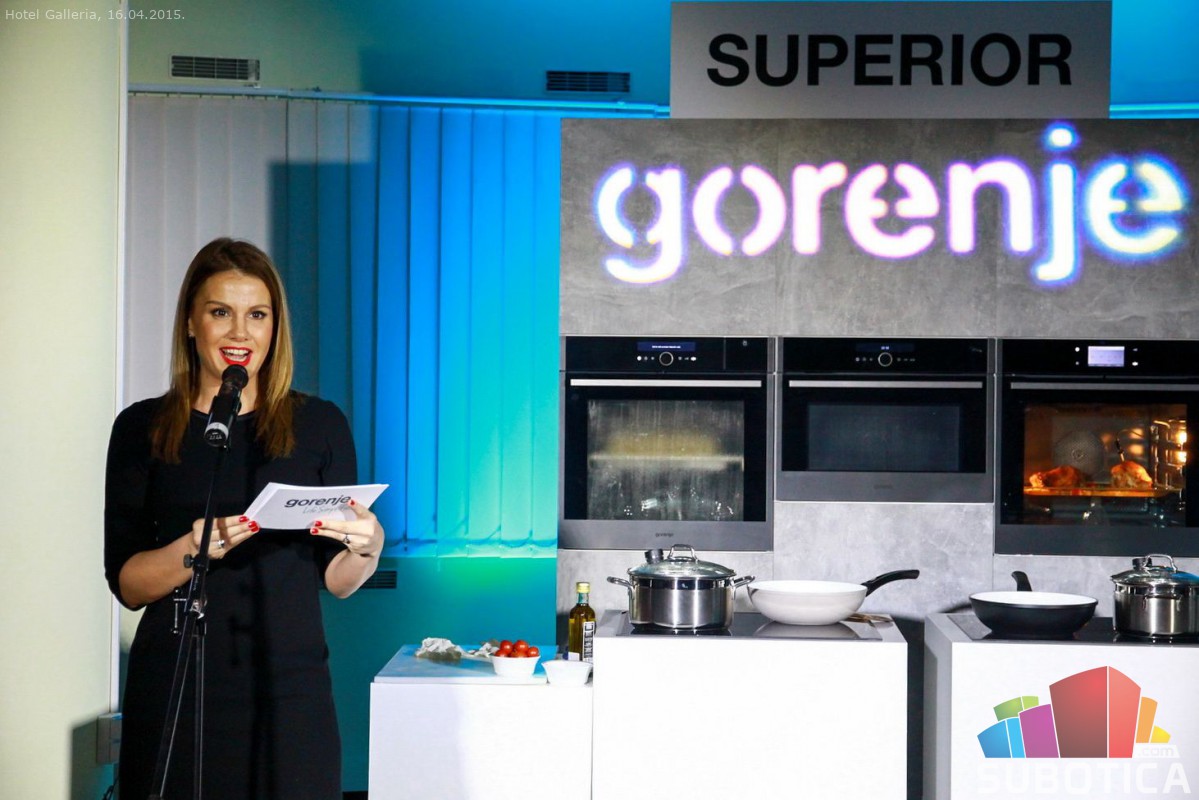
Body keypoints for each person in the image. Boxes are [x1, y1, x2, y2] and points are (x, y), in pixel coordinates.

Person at [104, 237, 384, 800]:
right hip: (177, 686)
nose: (240, 332)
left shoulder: (319, 425)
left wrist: (367, 546)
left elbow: (338, 581)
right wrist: (191, 548)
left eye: (257, 315)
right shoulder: (141, 427)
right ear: (191, 323)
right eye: (220, 312)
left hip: (290, 689)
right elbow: (128, 585)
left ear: (274, 327)